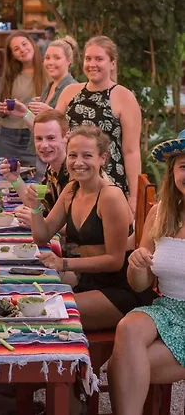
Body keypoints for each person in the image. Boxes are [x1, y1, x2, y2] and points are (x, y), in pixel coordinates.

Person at [26, 125, 154, 331]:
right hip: (88, 281)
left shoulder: (110, 196)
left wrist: (63, 263)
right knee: (28, 301)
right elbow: (42, 236)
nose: (78, 163)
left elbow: (114, 261)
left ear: (102, 159)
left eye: (87, 155)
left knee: (47, 312)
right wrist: (35, 206)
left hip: (120, 289)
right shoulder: (71, 190)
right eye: (72, 155)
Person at [107, 131, 185, 415]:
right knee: (128, 328)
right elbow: (139, 285)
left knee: (121, 366)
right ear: (173, 172)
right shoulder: (160, 214)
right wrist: (137, 264)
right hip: (166, 308)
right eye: (184, 166)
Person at [55, 36, 141, 213]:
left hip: (109, 182)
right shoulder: (70, 92)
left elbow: (131, 151)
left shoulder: (124, 97)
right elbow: (52, 134)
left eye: (99, 59)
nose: (92, 64)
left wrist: (135, 197)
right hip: (72, 176)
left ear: (112, 63)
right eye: (88, 58)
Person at [0, 108, 69, 227]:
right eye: (39, 138)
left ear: (66, 137)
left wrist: (40, 223)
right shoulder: (52, 168)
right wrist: (15, 179)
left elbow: (79, 229)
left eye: (51, 138)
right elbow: (38, 206)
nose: (44, 145)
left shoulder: (75, 172)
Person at [0, 32, 48, 179]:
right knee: (7, 181)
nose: (22, 50)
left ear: (32, 44)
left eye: (24, 44)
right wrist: (1, 109)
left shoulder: (48, 71)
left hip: (35, 136)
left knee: (37, 181)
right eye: (16, 49)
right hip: (8, 136)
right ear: (12, 56)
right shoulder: (10, 76)